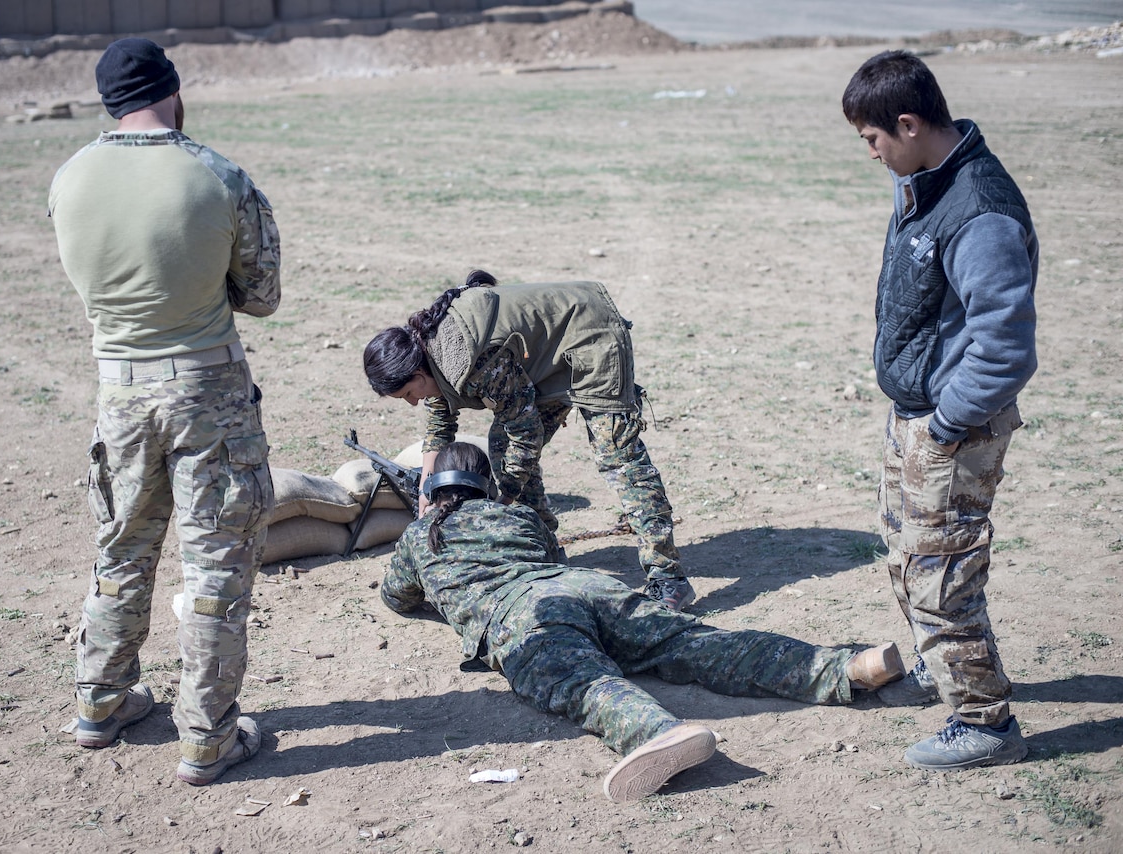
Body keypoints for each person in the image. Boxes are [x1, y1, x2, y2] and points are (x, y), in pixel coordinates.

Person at [381, 442, 907, 803]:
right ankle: (845, 667)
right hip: (589, 588)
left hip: (527, 615)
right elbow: (548, 555)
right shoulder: (519, 517)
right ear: (485, 483)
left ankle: (660, 733)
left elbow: (396, 597)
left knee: (584, 683)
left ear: (431, 488)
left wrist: (423, 533)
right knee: (698, 642)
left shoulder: (420, 537)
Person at [48, 38, 282, 786]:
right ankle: (208, 738)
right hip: (207, 394)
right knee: (215, 567)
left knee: (120, 550)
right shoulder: (215, 174)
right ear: (173, 92)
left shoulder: (69, 177)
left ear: (106, 103)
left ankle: (101, 702)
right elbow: (264, 293)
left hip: (118, 393)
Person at [841, 50, 1038, 771]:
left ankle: (985, 723)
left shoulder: (978, 209)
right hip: (919, 413)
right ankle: (943, 668)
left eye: (872, 140)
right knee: (905, 552)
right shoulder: (927, 183)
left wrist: (949, 421)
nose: (871, 154)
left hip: (952, 427)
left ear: (908, 122)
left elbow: (1007, 345)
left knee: (941, 572)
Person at [363, 270, 696, 611]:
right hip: (540, 356)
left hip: (588, 333)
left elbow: (525, 432)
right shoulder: (428, 352)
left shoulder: (473, 360)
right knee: (501, 448)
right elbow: (438, 426)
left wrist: (504, 497)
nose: (412, 402)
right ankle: (545, 550)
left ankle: (668, 576)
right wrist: (426, 494)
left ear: (418, 373)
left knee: (618, 456)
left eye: (407, 394)